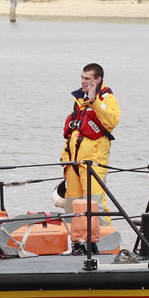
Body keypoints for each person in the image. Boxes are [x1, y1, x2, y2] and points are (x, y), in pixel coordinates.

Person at [59, 63, 120, 215]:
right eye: (82, 77)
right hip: (73, 163)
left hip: (93, 164)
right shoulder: (79, 100)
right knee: (71, 207)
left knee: (95, 205)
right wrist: (65, 159)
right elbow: (73, 132)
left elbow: (112, 121)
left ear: (98, 80)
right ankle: (72, 237)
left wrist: (95, 102)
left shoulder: (107, 99)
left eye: (87, 78)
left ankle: (104, 235)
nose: (83, 81)